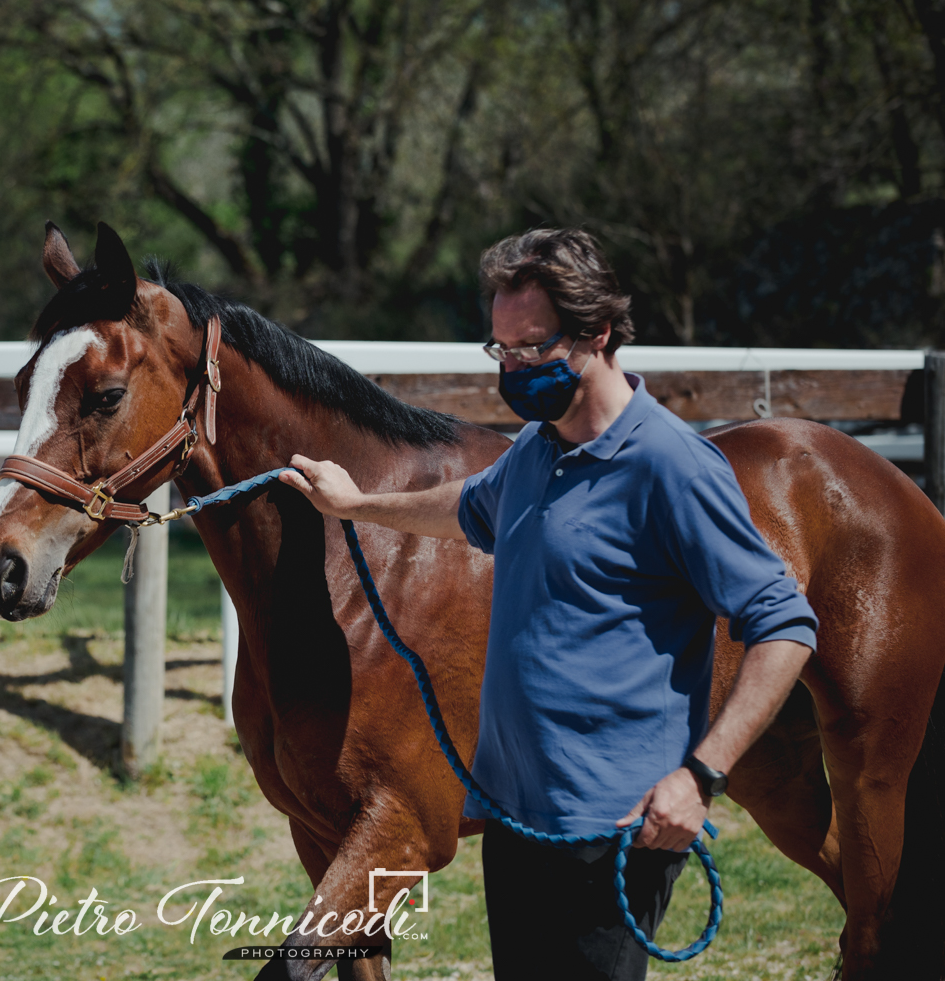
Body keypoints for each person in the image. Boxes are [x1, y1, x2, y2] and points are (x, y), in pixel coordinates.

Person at [278, 228, 817, 981]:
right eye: (502, 350)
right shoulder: (539, 446)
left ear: (596, 332)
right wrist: (357, 503)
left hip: (614, 826)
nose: (516, 367)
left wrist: (700, 775)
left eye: (533, 347)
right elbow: (468, 507)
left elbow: (784, 624)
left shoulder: (668, 465)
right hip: (515, 814)